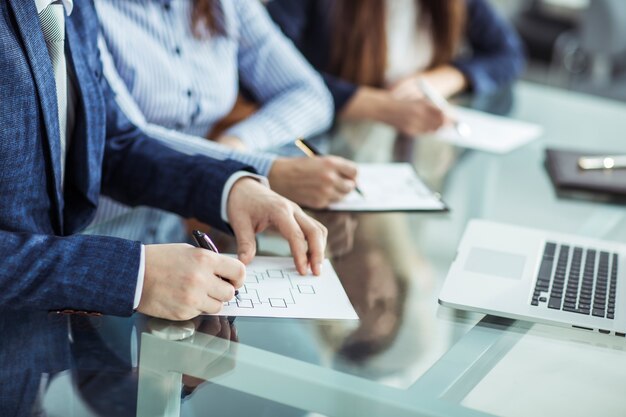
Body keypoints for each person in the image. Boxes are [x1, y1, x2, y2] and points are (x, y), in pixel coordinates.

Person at [0, 0, 327, 322]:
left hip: (42, 333)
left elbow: (112, 142)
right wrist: (132, 276)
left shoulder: (74, 6)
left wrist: (229, 189)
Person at [90, 0, 357, 247]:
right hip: (94, 241)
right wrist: (259, 171)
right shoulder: (84, 9)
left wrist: (236, 145)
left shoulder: (227, 4)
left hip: (178, 239)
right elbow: (123, 138)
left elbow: (311, 94)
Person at [267, 0, 526, 136]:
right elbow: (270, 70)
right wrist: (378, 106)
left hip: (411, 143)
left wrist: (446, 78)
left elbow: (509, 53)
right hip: (325, 134)